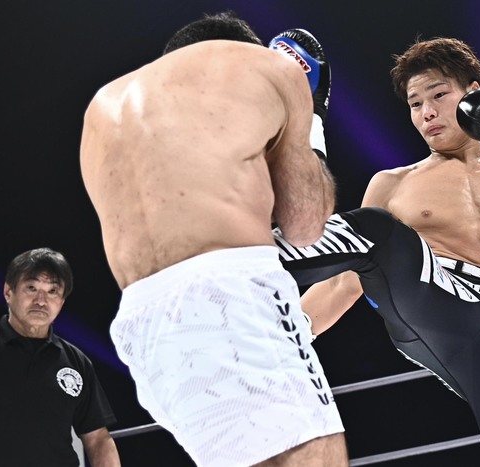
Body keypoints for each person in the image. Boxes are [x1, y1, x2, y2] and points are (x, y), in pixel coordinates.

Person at [273, 37, 480, 466]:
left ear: (474, 93)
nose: (426, 112)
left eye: (438, 95)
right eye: (415, 103)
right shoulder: (394, 183)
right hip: (427, 299)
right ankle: (242, 254)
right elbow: (345, 282)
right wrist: (287, 334)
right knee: (379, 231)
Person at [79, 10, 348, 467]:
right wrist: (312, 119)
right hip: (229, 297)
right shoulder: (268, 67)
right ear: (242, 50)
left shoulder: (102, 108)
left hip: (144, 333)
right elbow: (305, 226)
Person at [0, 248, 121, 467]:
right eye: (31, 288)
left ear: (62, 302)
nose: (41, 301)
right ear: (8, 292)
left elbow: (98, 439)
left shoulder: (76, 362)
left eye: (53, 291)